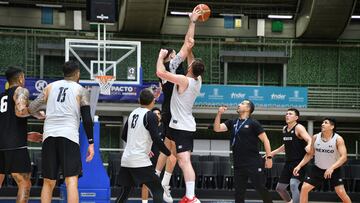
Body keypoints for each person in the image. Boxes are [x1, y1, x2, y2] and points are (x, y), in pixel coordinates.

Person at [28, 61, 95, 203]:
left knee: (48, 182)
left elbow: (32, 107)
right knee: (71, 181)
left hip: (49, 137)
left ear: (63, 73)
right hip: (69, 136)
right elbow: (87, 119)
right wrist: (91, 142)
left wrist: (39, 115)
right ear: (77, 74)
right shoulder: (81, 90)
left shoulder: (50, 87)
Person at [154, 7, 201, 203]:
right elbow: (188, 45)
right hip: (170, 113)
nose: (177, 54)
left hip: (177, 115)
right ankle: (159, 179)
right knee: (168, 152)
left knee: (173, 154)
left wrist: (192, 22)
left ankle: (163, 182)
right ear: (169, 58)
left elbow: (189, 44)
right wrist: (192, 22)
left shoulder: (179, 71)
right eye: (173, 54)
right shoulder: (170, 69)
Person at [116, 88, 171, 203]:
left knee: (125, 192)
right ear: (153, 101)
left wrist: (137, 144)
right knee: (157, 189)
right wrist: (168, 152)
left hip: (127, 159)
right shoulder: (150, 116)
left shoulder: (132, 113)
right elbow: (156, 138)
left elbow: (124, 136)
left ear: (139, 100)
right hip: (139, 160)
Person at [213, 100, 273, 203]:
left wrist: (269, 158)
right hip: (238, 163)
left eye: (242, 103)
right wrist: (219, 114)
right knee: (239, 193)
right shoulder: (232, 122)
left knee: (260, 187)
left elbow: (265, 140)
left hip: (253, 162)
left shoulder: (254, 123)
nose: (239, 104)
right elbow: (217, 129)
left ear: (248, 108)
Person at [293, 118, 352, 203]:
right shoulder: (315, 137)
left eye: (326, 123)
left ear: (332, 126)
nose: (322, 124)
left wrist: (331, 168)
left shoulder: (338, 139)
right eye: (322, 123)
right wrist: (299, 166)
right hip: (318, 168)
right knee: (304, 188)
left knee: (341, 192)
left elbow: (344, 157)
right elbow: (310, 154)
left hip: (334, 170)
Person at [270, 108, 312, 203]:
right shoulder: (284, 129)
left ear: (296, 117)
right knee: (280, 188)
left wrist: (309, 145)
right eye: (286, 114)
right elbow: (286, 144)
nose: (287, 115)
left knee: (293, 184)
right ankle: (290, 201)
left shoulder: (299, 127)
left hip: (299, 162)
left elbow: (309, 139)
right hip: (288, 163)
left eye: (290, 114)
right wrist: (273, 153)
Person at [141, 107, 164, 203]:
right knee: (146, 183)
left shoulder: (164, 127)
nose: (157, 115)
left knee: (160, 184)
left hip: (161, 160)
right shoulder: (147, 127)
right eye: (154, 114)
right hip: (149, 158)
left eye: (158, 113)